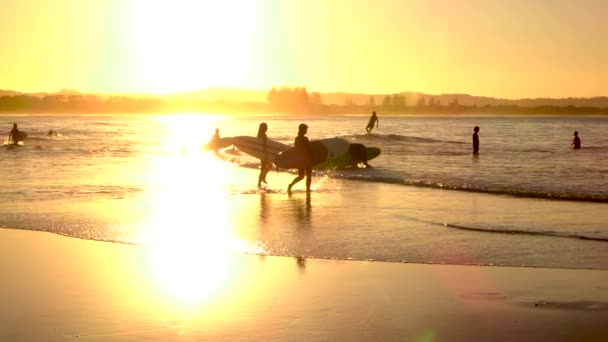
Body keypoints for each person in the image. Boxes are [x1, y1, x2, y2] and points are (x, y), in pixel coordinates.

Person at [288, 123, 312, 193]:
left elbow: (296, 149)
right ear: (303, 130)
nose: (306, 131)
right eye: (306, 129)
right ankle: (308, 189)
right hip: (306, 159)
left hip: (300, 159)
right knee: (309, 175)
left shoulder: (297, 138)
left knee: (301, 176)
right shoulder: (305, 138)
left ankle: (291, 185)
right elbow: (308, 149)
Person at [257, 123, 272, 188]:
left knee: (266, 167)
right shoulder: (263, 135)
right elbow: (264, 145)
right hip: (264, 154)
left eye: (267, 127)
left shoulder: (259, 135)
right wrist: (266, 154)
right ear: (262, 128)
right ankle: (260, 182)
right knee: (268, 167)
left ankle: (261, 180)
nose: (267, 128)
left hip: (262, 153)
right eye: (266, 127)